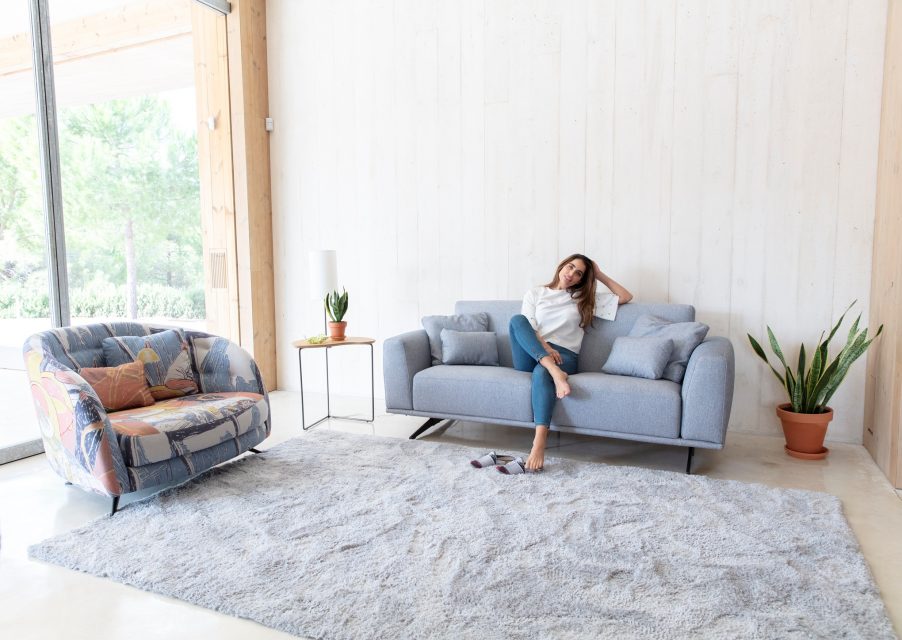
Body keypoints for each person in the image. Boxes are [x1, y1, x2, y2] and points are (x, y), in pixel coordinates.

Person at [507, 253, 632, 472]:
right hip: (533, 351)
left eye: (579, 273)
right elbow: (530, 326)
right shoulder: (536, 293)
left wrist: (599, 274)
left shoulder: (584, 299)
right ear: (562, 265)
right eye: (570, 266)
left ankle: (538, 443)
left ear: (582, 279)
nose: (571, 273)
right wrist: (547, 351)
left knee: (541, 373)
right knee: (518, 320)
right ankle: (554, 371)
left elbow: (625, 296)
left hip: (565, 356)